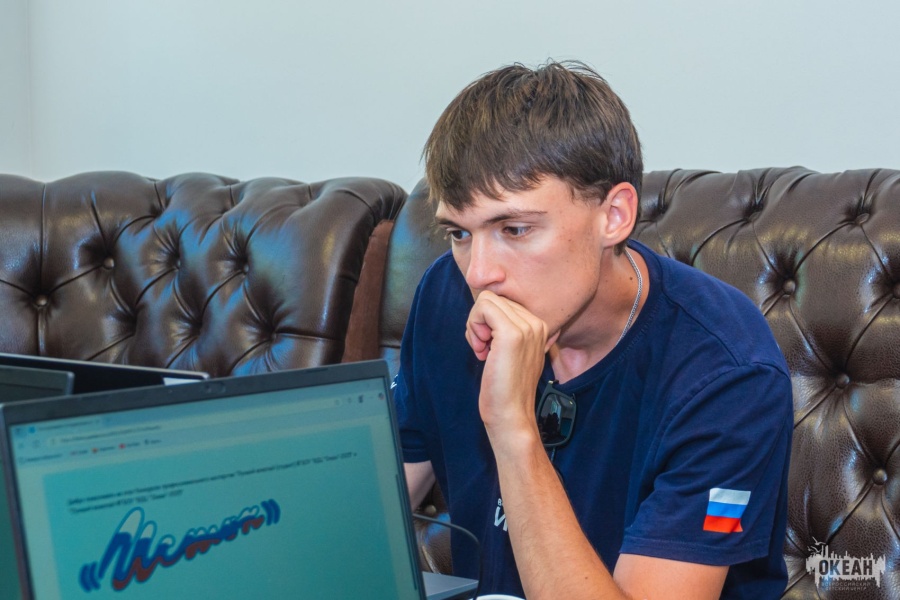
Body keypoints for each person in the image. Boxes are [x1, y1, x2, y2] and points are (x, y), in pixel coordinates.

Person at [395, 61, 793, 600]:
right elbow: (368, 508)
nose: (479, 274)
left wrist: (512, 427)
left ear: (615, 215)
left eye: (515, 228)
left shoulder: (728, 374)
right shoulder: (446, 295)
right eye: (459, 234)